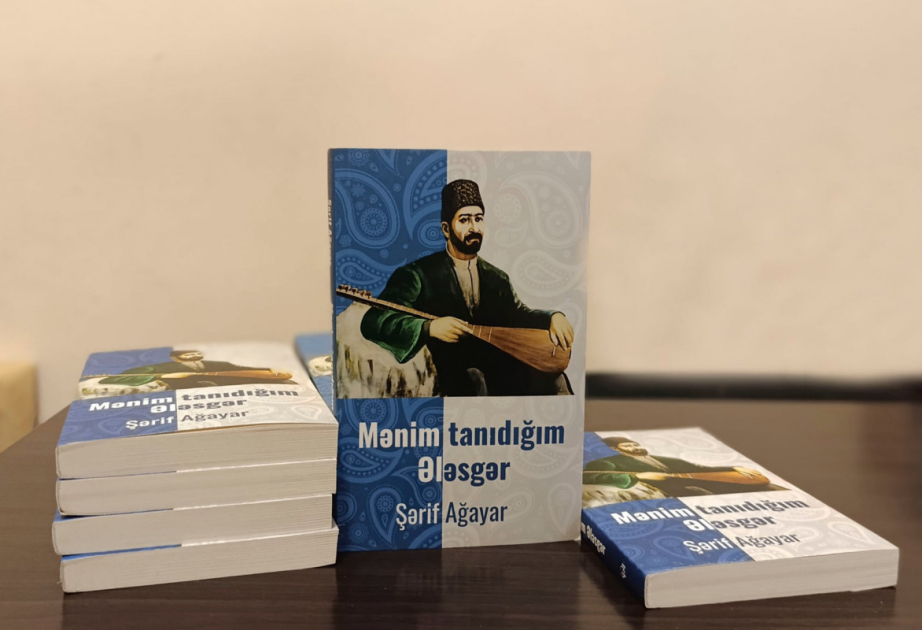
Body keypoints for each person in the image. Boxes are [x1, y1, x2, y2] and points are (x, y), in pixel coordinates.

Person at [360, 179, 574, 396]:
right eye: (464, 220)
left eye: (478, 219)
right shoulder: (417, 274)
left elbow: (518, 315)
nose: (474, 228)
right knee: (474, 380)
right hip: (452, 372)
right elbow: (375, 321)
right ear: (446, 229)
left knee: (556, 381)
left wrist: (552, 317)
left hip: (498, 368)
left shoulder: (497, 278)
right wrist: (429, 328)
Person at [583, 436, 785, 497]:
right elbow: (590, 475)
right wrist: (637, 477)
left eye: (635, 444)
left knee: (767, 487)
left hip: (695, 481)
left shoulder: (662, 458)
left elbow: (700, 468)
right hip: (672, 491)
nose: (635, 447)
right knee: (697, 492)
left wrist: (735, 468)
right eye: (628, 446)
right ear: (616, 449)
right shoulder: (611, 462)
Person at [97, 350, 293, 390]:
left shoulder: (214, 364)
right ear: (176, 358)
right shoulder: (164, 367)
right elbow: (121, 378)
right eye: (188, 354)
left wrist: (267, 369)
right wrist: (161, 375)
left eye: (195, 353)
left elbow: (237, 369)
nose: (193, 356)